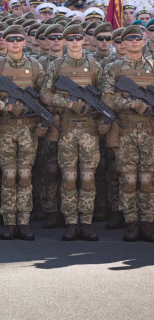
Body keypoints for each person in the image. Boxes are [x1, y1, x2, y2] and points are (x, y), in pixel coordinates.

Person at [0, 25, 45, 241]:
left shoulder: (35, 66)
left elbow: (44, 96)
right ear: (5, 43)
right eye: (10, 40)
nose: (15, 43)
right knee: (8, 176)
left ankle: (23, 222)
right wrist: (6, 107)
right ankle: (9, 222)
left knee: (25, 176)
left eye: (19, 39)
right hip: (6, 127)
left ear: (25, 42)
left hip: (28, 129)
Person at [40, 24, 103, 241]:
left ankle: (85, 222)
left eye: (78, 38)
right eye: (71, 38)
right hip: (66, 129)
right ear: (66, 41)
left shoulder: (94, 65)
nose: (75, 42)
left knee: (87, 178)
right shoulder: (56, 66)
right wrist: (69, 104)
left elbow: (103, 96)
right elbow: (46, 95)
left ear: (83, 40)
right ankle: (70, 222)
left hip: (89, 130)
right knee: (68, 178)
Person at [100, 25, 154, 242]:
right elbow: (106, 98)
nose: (134, 42)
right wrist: (131, 104)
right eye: (129, 39)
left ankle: (148, 223)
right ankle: (131, 223)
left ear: (143, 41)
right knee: (129, 180)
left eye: (137, 38)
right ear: (123, 43)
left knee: (148, 180)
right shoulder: (114, 69)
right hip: (125, 131)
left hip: (149, 132)